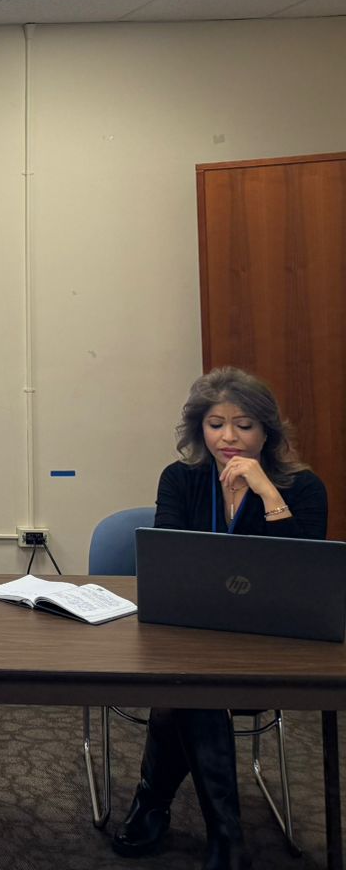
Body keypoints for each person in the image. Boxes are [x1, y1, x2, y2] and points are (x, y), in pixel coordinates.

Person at [111, 367, 327, 870]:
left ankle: (152, 802)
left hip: (273, 639)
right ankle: (225, 837)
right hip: (189, 633)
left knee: (186, 692)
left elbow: (305, 576)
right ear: (199, 429)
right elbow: (166, 563)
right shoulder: (181, 479)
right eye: (215, 424)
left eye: (244, 425)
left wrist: (268, 494)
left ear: (267, 431)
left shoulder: (303, 487)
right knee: (193, 682)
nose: (228, 437)